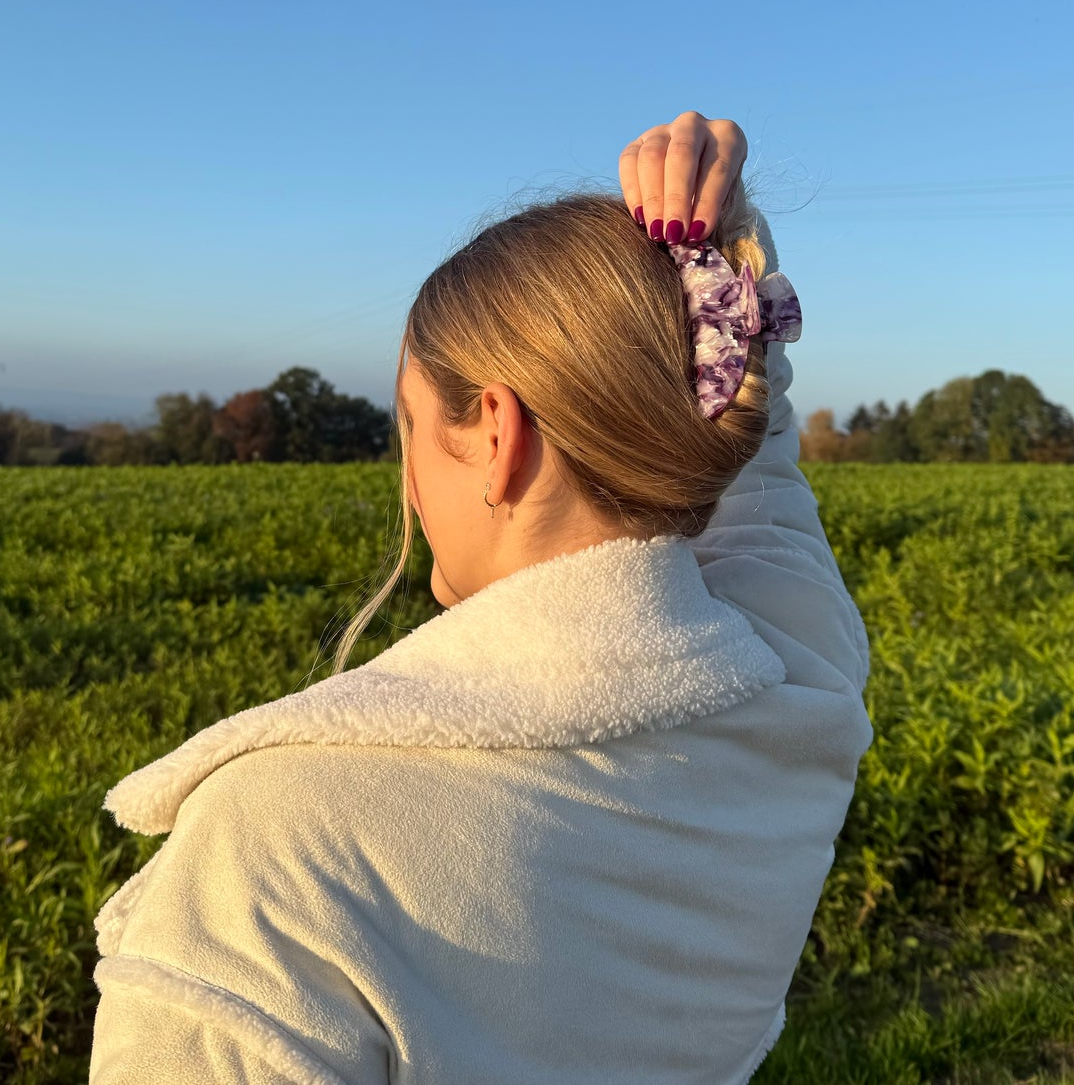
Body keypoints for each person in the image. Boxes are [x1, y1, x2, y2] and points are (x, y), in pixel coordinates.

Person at [88, 111, 873, 1084]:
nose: (408, 477)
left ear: (495, 433)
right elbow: (758, 458)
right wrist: (717, 250)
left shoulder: (277, 846)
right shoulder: (798, 676)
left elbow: (755, 446)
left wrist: (715, 232)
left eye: (411, 425)